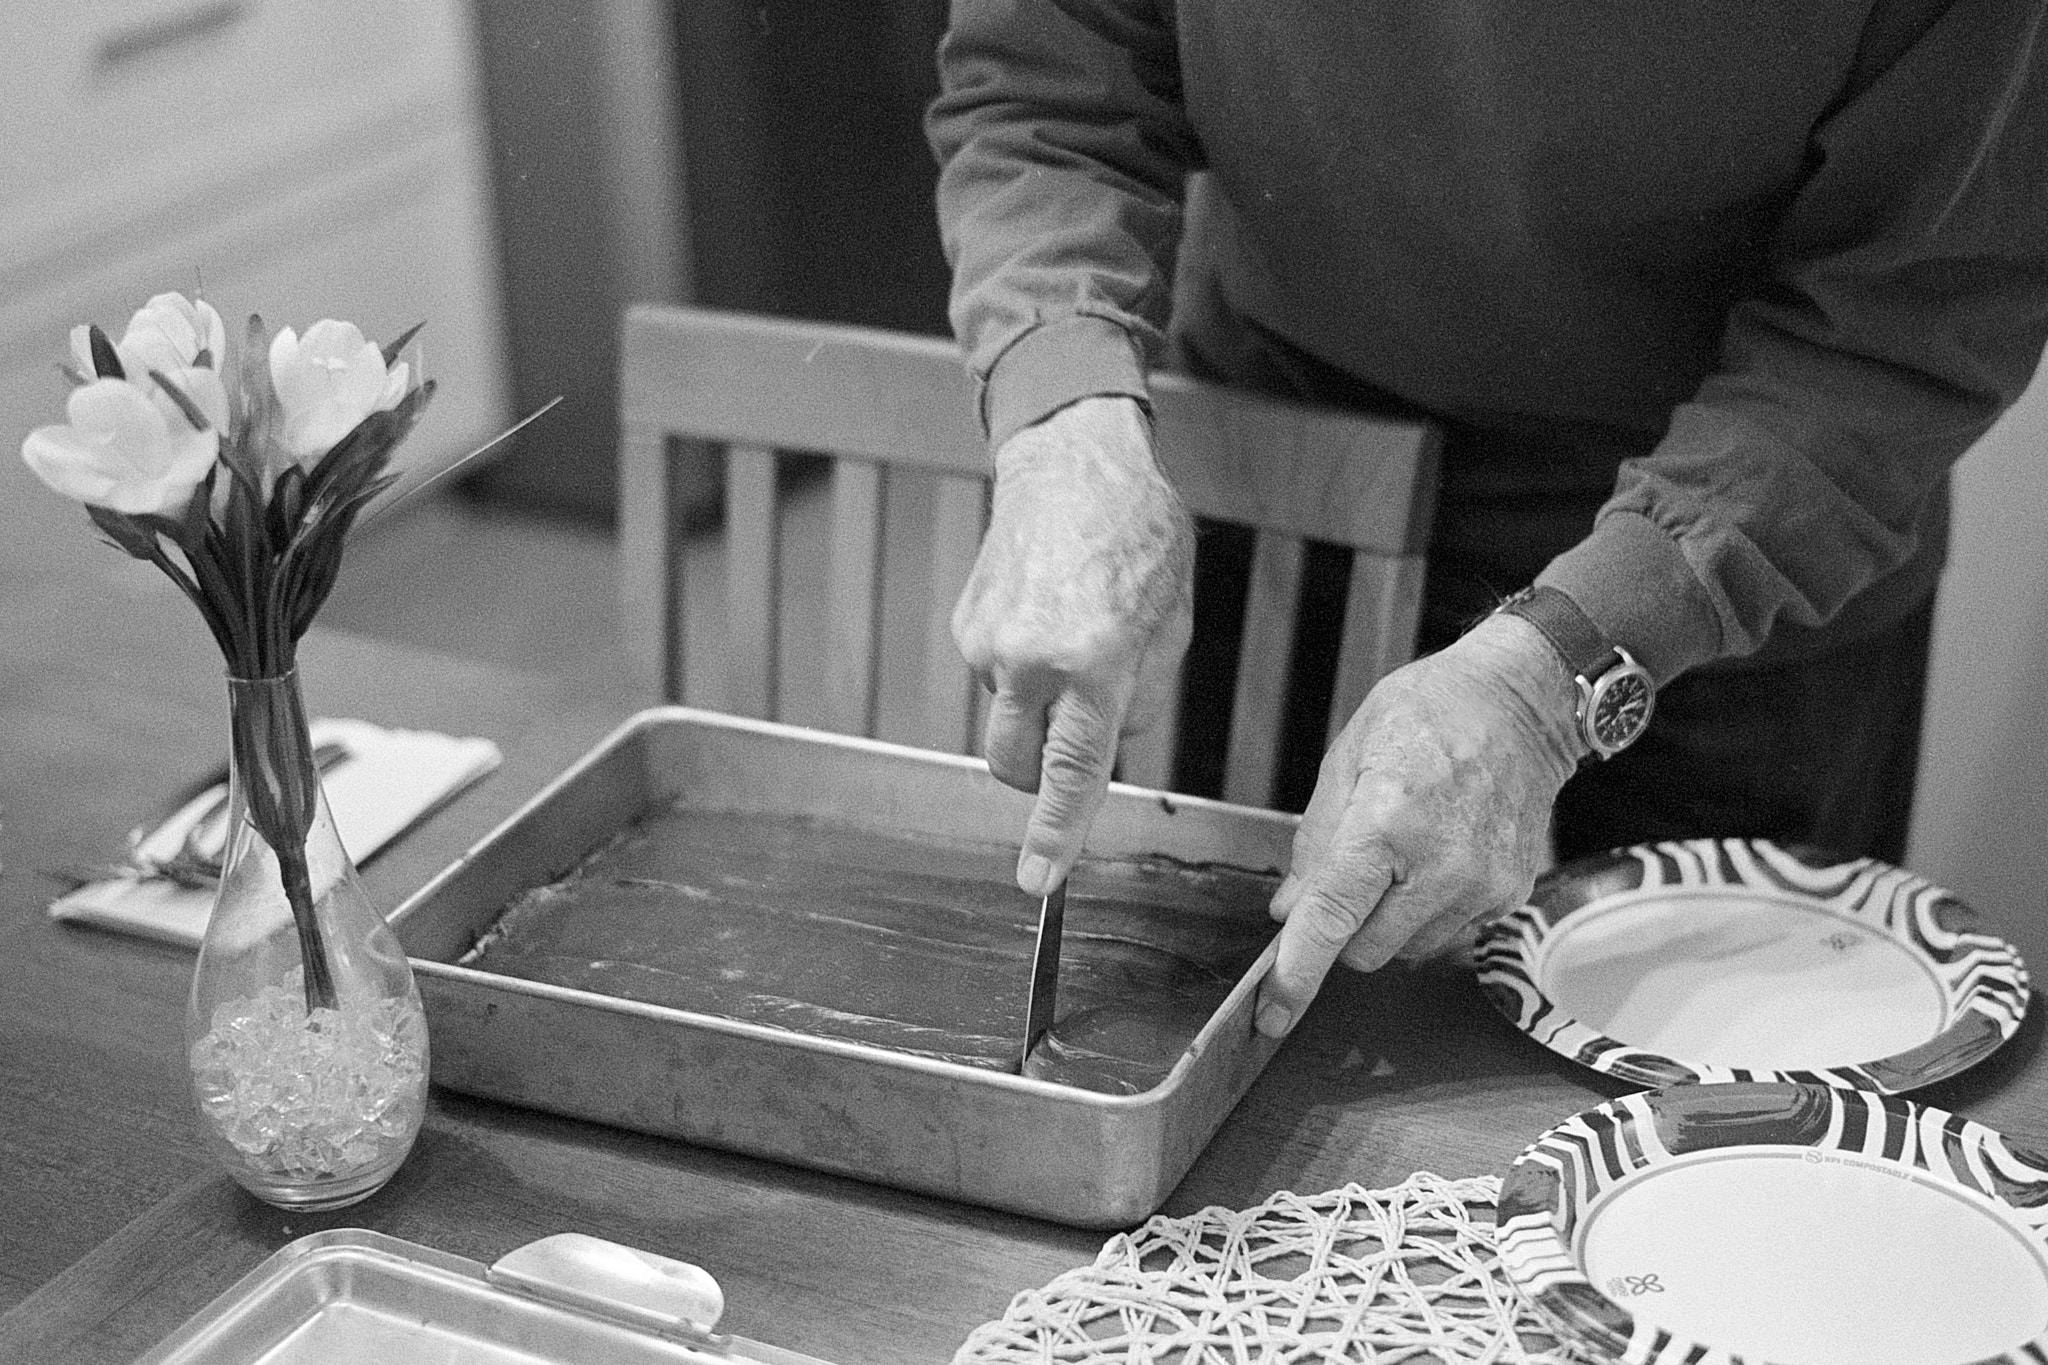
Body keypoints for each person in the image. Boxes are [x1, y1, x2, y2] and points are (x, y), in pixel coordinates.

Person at [924, 0, 2048, 1040]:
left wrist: (1542, 682)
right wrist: (1064, 421)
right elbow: (1052, 84)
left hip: (1748, 545)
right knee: (1251, 1056)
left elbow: (1909, 316)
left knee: (1720, 1142)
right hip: (1296, 463)